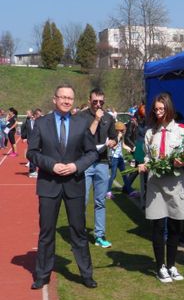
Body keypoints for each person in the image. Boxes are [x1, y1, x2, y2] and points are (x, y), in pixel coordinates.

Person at [27, 84, 99, 289]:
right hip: (48, 185)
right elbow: (32, 152)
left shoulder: (82, 123)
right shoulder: (41, 123)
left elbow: (92, 153)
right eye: (63, 97)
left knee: (78, 231)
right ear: (55, 99)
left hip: (74, 184)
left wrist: (76, 166)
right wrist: (52, 165)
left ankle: (86, 274)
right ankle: (42, 274)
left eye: (70, 98)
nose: (67, 101)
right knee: (46, 231)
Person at [138, 93, 184, 283]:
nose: (158, 112)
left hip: (175, 183)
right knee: (158, 225)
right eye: (156, 109)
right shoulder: (150, 133)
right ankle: (160, 266)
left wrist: (182, 162)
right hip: (156, 184)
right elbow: (147, 156)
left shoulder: (182, 131)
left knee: (176, 225)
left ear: (169, 108)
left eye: (161, 109)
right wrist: (144, 164)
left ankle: (172, 265)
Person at [79, 88, 117, 248]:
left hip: (102, 162)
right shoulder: (81, 117)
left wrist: (113, 142)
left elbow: (114, 137)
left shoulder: (109, 117)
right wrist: (96, 119)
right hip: (85, 163)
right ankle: (79, 235)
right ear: (89, 101)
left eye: (101, 102)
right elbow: (85, 137)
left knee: (100, 201)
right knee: (82, 200)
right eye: (95, 101)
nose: (98, 104)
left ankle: (99, 235)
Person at [106, 121, 136, 199]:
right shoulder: (112, 137)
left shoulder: (121, 136)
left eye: (123, 130)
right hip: (113, 157)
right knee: (113, 175)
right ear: (117, 130)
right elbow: (113, 147)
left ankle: (130, 191)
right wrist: (118, 138)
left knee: (125, 174)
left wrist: (130, 148)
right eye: (121, 130)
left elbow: (123, 145)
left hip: (120, 157)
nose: (123, 131)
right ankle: (108, 192)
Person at [22, 109, 42, 177]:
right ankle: (32, 171)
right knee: (33, 155)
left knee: (38, 155)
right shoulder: (29, 121)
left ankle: (34, 170)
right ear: (35, 115)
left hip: (39, 141)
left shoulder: (39, 121)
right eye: (39, 115)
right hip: (32, 141)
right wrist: (24, 137)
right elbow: (24, 129)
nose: (40, 116)